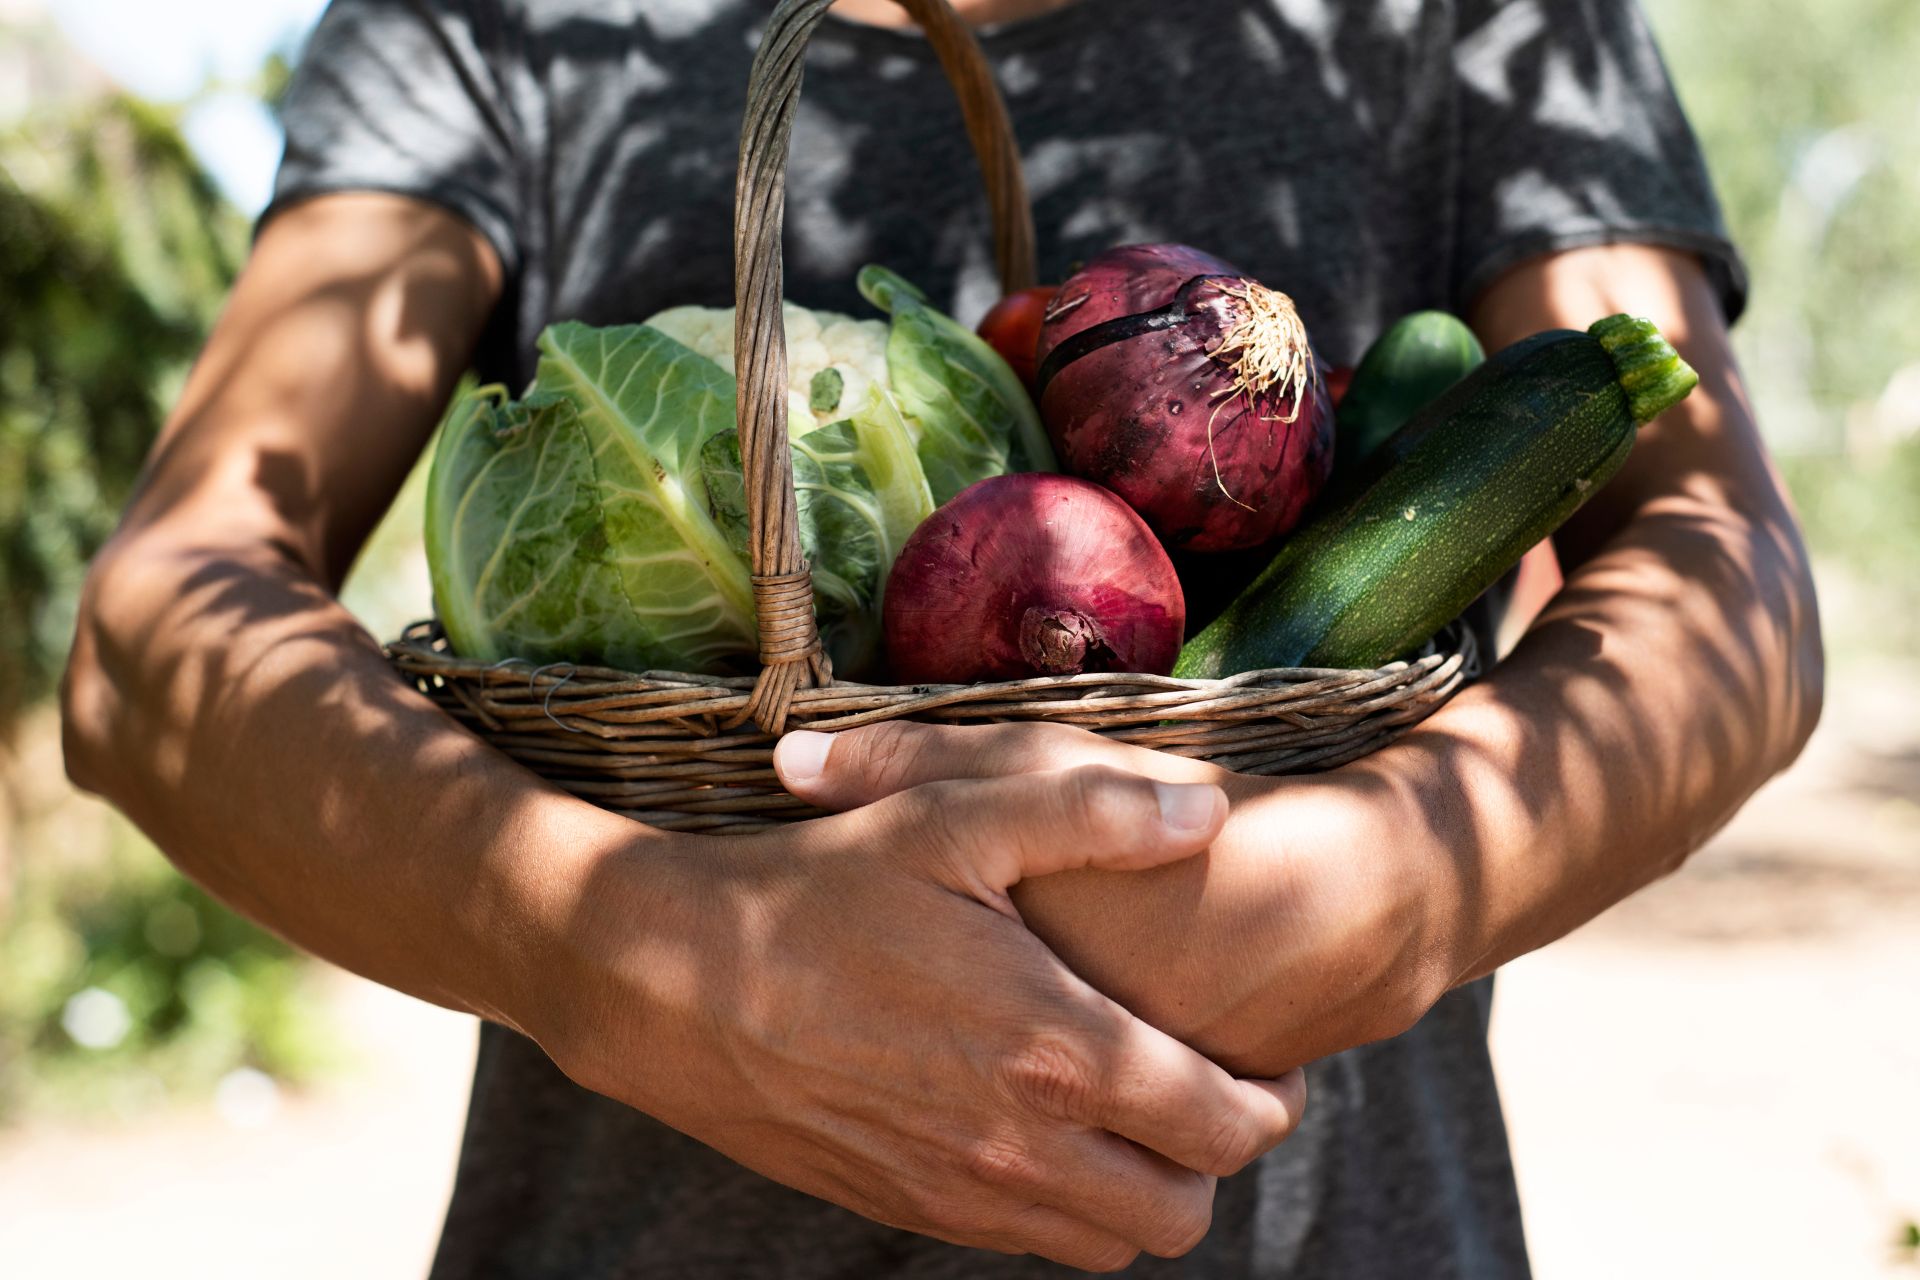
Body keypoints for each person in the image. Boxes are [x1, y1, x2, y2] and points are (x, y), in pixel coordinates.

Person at [60, 0, 1822, 1274]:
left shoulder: (1469, 21)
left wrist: (1387, 892)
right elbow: (158, 630)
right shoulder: (495, 22)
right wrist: (627, 960)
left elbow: (1721, 564)